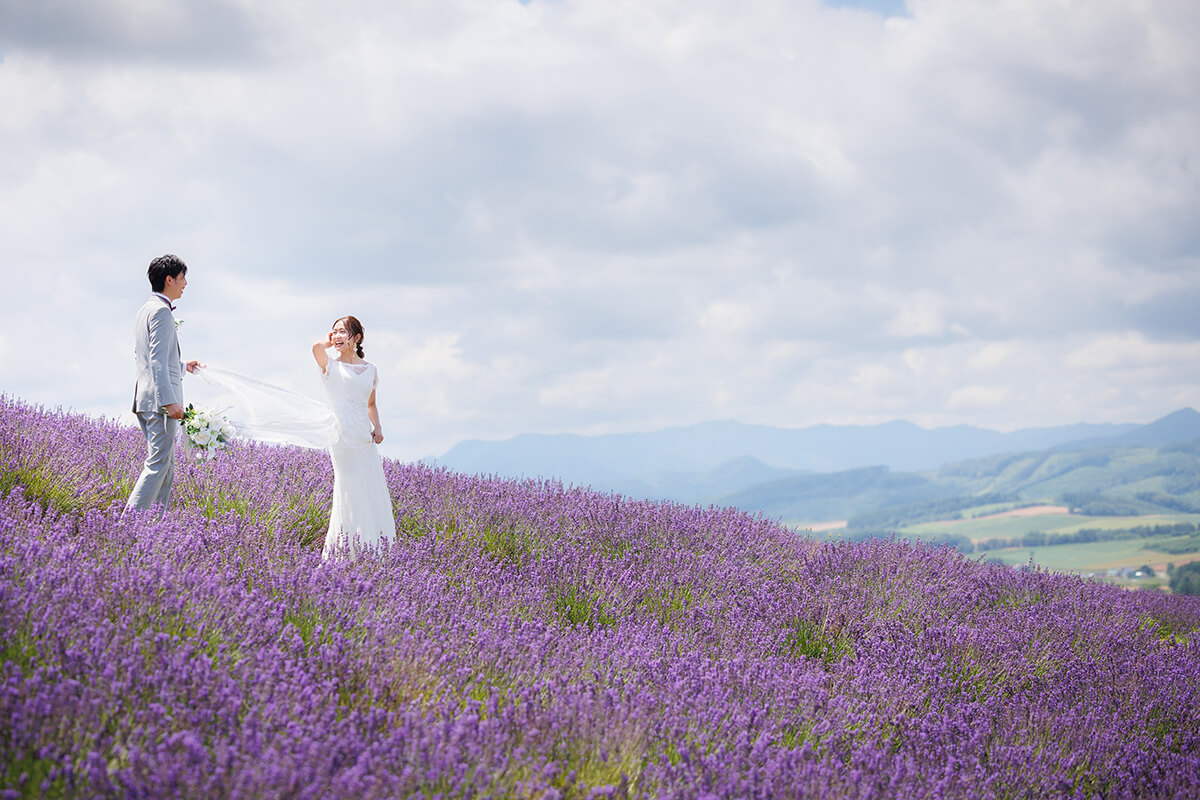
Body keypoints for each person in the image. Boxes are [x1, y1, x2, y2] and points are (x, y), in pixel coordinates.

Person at [310, 316, 396, 556]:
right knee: (348, 491)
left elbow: (371, 404)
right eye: (334, 332)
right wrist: (330, 343)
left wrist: (377, 428)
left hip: (363, 440)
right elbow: (315, 348)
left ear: (357, 338)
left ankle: (371, 552)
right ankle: (342, 553)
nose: (337, 336)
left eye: (342, 332)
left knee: (370, 491)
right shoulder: (331, 365)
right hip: (341, 438)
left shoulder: (371, 370)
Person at [126, 254, 202, 513]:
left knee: (166, 467)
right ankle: (129, 524)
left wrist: (182, 367)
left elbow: (145, 357)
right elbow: (156, 361)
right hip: (160, 403)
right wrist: (169, 400)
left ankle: (154, 528)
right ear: (169, 280)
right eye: (182, 278)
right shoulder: (160, 311)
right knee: (158, 464)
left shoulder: (145, 310)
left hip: (147, 399)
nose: (186, 283)